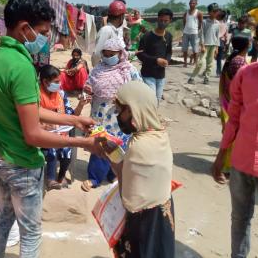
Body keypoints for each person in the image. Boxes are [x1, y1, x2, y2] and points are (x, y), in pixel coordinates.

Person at [0, 0, 104, 257]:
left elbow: (31, 111)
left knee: (4, 217)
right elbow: (34, 134)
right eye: (44, 31)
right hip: (20, 163)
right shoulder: (21, 66)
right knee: (31, 233)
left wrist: (74, 119)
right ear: (25, 29)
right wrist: (82, 141)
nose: (47, 38)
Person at [211, 18, 258, 258]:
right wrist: (220, 157)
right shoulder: (245, 74)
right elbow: (233, 118)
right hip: (241, 162)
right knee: (240, 220)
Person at [105, 81, 174, 258]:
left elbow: (129, 200)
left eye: (121, 111)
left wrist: (113, 160)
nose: (119, 116)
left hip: (144, 222)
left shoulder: (139, 146)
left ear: (133, 109)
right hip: (162, 215)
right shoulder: (158, 134)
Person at [81, 37, 141, 192]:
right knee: (100, 143)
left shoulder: (129, 70)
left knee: (117, 145)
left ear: (120, 53)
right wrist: (87, 90)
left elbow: (139, 91)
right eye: (106, 54)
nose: (108, 57)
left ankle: (112, 174)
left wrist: (124, 99)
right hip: (99, 113)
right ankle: (94, 177)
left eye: (111, 54)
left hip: (118, 116)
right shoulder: (97, 69)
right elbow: (89, 83)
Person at [39, 65, 91, 190]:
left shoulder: (60, 95)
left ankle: (60, 177)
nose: (59, 84)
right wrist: (44, 125)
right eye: (56, 82)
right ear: (45, 82)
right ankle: (50, 179)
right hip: (41, 135)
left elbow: (72, 116)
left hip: (60, 132)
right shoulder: (36, 96)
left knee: (67, 151)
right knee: (52, 149)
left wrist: (81, 104)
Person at [214, 36, 249, 183]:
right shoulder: (239, 61)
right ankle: (228, 167)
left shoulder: (231, 59)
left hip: (227, 101)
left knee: (229, 135)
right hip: (234, 104)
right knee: (233, 137)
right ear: (245, 47)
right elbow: (242, 86)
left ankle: (228, 166)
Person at [137, 8, 173, 103]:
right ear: (157, 19)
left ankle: (152, 117)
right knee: (151, 99)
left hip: (161, 75)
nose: (163, 23)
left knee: (157, 100)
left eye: (166, 21)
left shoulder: (169, 36)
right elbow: (140, 55)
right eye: (161, 20)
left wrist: (167, 61)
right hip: (147, 74)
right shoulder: (147, 36)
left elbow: (169, 52)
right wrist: (156, 60)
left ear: (170, 21)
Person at [188, 3, 220, 85]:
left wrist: (217, 48)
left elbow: (217, 36)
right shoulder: (205, 22)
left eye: (217, 11)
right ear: (209, 12)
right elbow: (201, 34)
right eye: (214, 11)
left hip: (213, 45)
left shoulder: (217, 23)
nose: (216, 13)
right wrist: (202, 45)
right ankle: (192, 77)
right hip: (205, 45)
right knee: (200, 62)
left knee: (210, 63)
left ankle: (206, 78)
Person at [92, 0, 127, 67]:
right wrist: (98, 72)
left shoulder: (117, 31)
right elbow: (96, 55)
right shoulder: (106, 30)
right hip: (106, 71)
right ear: (121, 17)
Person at [182, 0, 203, 67]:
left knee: (195, 49)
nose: (192, 4)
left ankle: (195, 62)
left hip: (194, 32)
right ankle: (185, 62)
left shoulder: (199, 13)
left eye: (193, 3)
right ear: (189, 4)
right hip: (186, 32)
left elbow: (200, 22)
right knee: (185, 48)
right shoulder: (186, 12)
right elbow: (184, 22)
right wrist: (185, 29)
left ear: (196, 4)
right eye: (190, 3)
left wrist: (197, 29)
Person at [216, 10, 229, 77]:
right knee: (219, 58)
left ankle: (206, 70)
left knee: (210, 56)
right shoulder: (225, 25)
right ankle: (218, 72)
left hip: (214, 41)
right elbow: (226, 36)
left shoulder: (215, 24)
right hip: (221, 42)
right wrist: (226, 44)